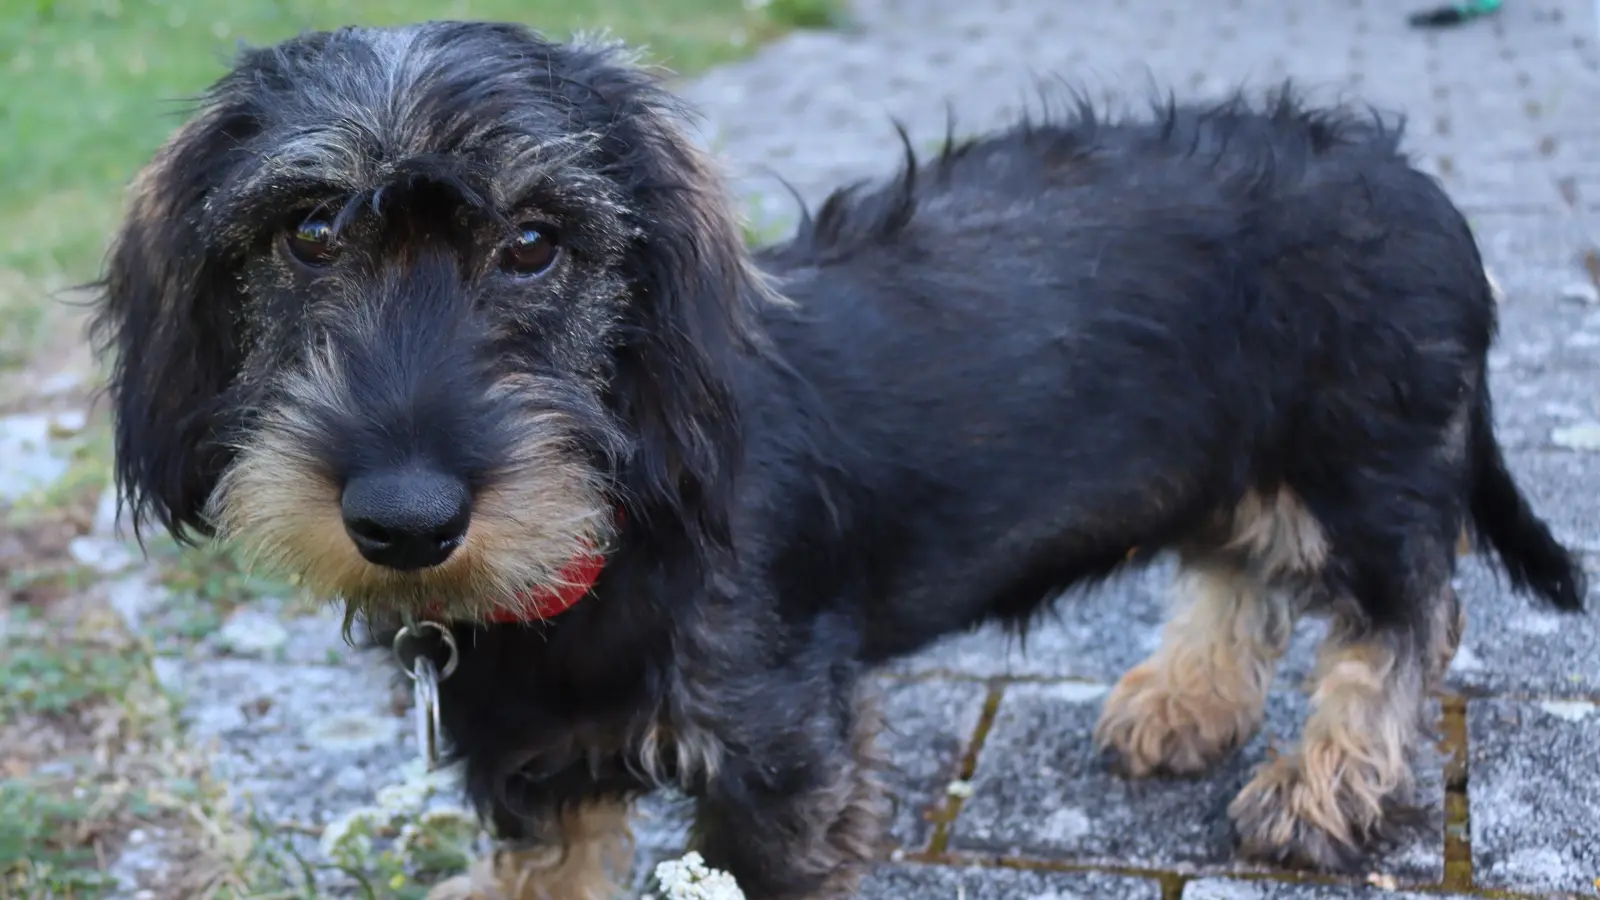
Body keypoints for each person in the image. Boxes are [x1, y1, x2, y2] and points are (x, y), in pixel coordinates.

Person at [1407, 0, 1504, 28]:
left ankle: (1425, 18)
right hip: (1461, 12)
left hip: (1461, 12)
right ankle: (1425, 18)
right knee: (1441, 14)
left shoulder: (1492, 3)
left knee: (1441, 15)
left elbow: (1480, 8)